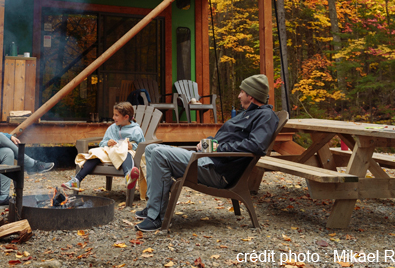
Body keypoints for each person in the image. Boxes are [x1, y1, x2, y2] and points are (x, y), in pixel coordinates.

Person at [134, 74, 279, 232]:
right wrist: (207, 143)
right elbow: (226, 137)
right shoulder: (246, 114)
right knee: (150, 149)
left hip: (217, 170)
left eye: (242, 92)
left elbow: (256, 145)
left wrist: (217, 149)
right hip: (209, 159)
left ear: (251, 95)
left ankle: (156, 217)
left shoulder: (265, 116)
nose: (239, 95)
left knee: (159, 154)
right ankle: (153, 206)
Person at [62, 102, 144, 191]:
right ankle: (76, 181)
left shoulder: (136, 130)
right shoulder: (112, 128)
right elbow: (102, 143)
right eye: (113, 115)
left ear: (126, 117)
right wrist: (107, 143)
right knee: (96, 154)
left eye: (116, 115)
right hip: (110, 153)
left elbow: (142, 145)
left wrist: (132, 146)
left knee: (126, 153)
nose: (113, 117)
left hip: (127, 153)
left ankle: (129, 177)